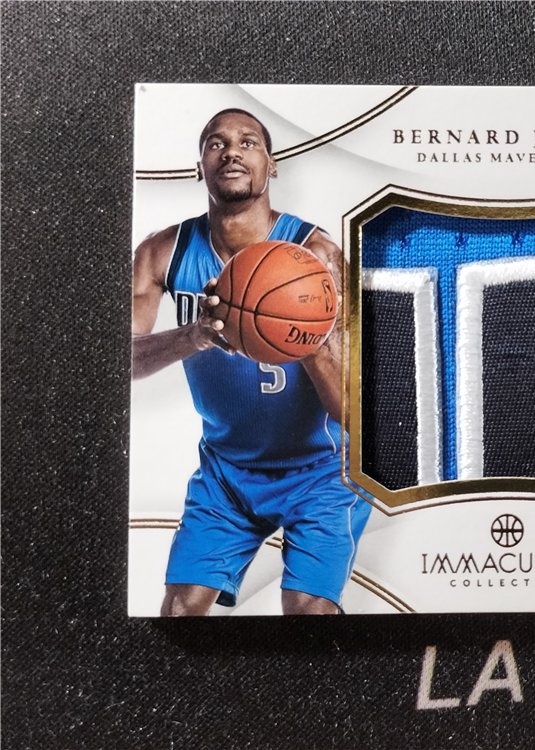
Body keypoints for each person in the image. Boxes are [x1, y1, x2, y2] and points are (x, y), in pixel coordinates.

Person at [132, 109, 370, 615]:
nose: (232, 153)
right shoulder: (162, 253)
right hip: (227, 472)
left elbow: (356, 411)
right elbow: (116, 362)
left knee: (307, 609)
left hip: (321, 471)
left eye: (248, 142)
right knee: (180, 611)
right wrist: (195, 335)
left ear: (272, 164)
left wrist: (299, 338)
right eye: (216, 144)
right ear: (199, 165)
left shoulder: (317, 256)